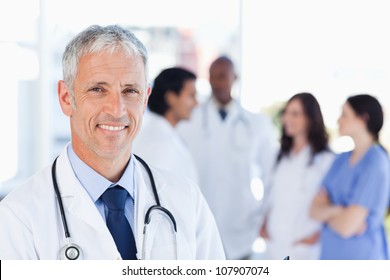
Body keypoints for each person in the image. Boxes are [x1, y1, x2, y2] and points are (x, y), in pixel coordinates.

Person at [0, 25, 225, 260]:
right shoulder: (18, 218)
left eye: (130, 91)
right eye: (98, 89)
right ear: (66, 98)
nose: (117, 110)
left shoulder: (187, 201)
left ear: (145, 98)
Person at [177, 56, 277, 259]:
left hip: (242, 225)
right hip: (199, 221)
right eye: (212, 77)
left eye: (222, 76)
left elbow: (270, 174)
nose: (217, 82)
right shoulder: (189, 120)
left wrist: (265, 214)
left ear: (235, 77)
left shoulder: (256, 123)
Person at [310, 94, 390, 260]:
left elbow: (346, 227)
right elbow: (313, 211)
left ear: (362, 119)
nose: (339, 121)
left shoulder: (376, 163)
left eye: (344, 115)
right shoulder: (340, 160)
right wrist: (339, 211)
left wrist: (328, 211)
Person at [260, 93, 334, 260]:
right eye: (286, 113)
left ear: (310, 118)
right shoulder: (278, 156)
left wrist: (318, 234)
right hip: (274, 242)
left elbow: (330, 203)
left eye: (295, 113)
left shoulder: (326, 160)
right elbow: (270, 195)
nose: (287, 118)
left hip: (305, 244)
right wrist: (263, 223)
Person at [132, 67, 199, 184]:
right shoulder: (159, 141)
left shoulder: (162, 131)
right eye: (191, 96)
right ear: (171, 98)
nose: (196, 103)